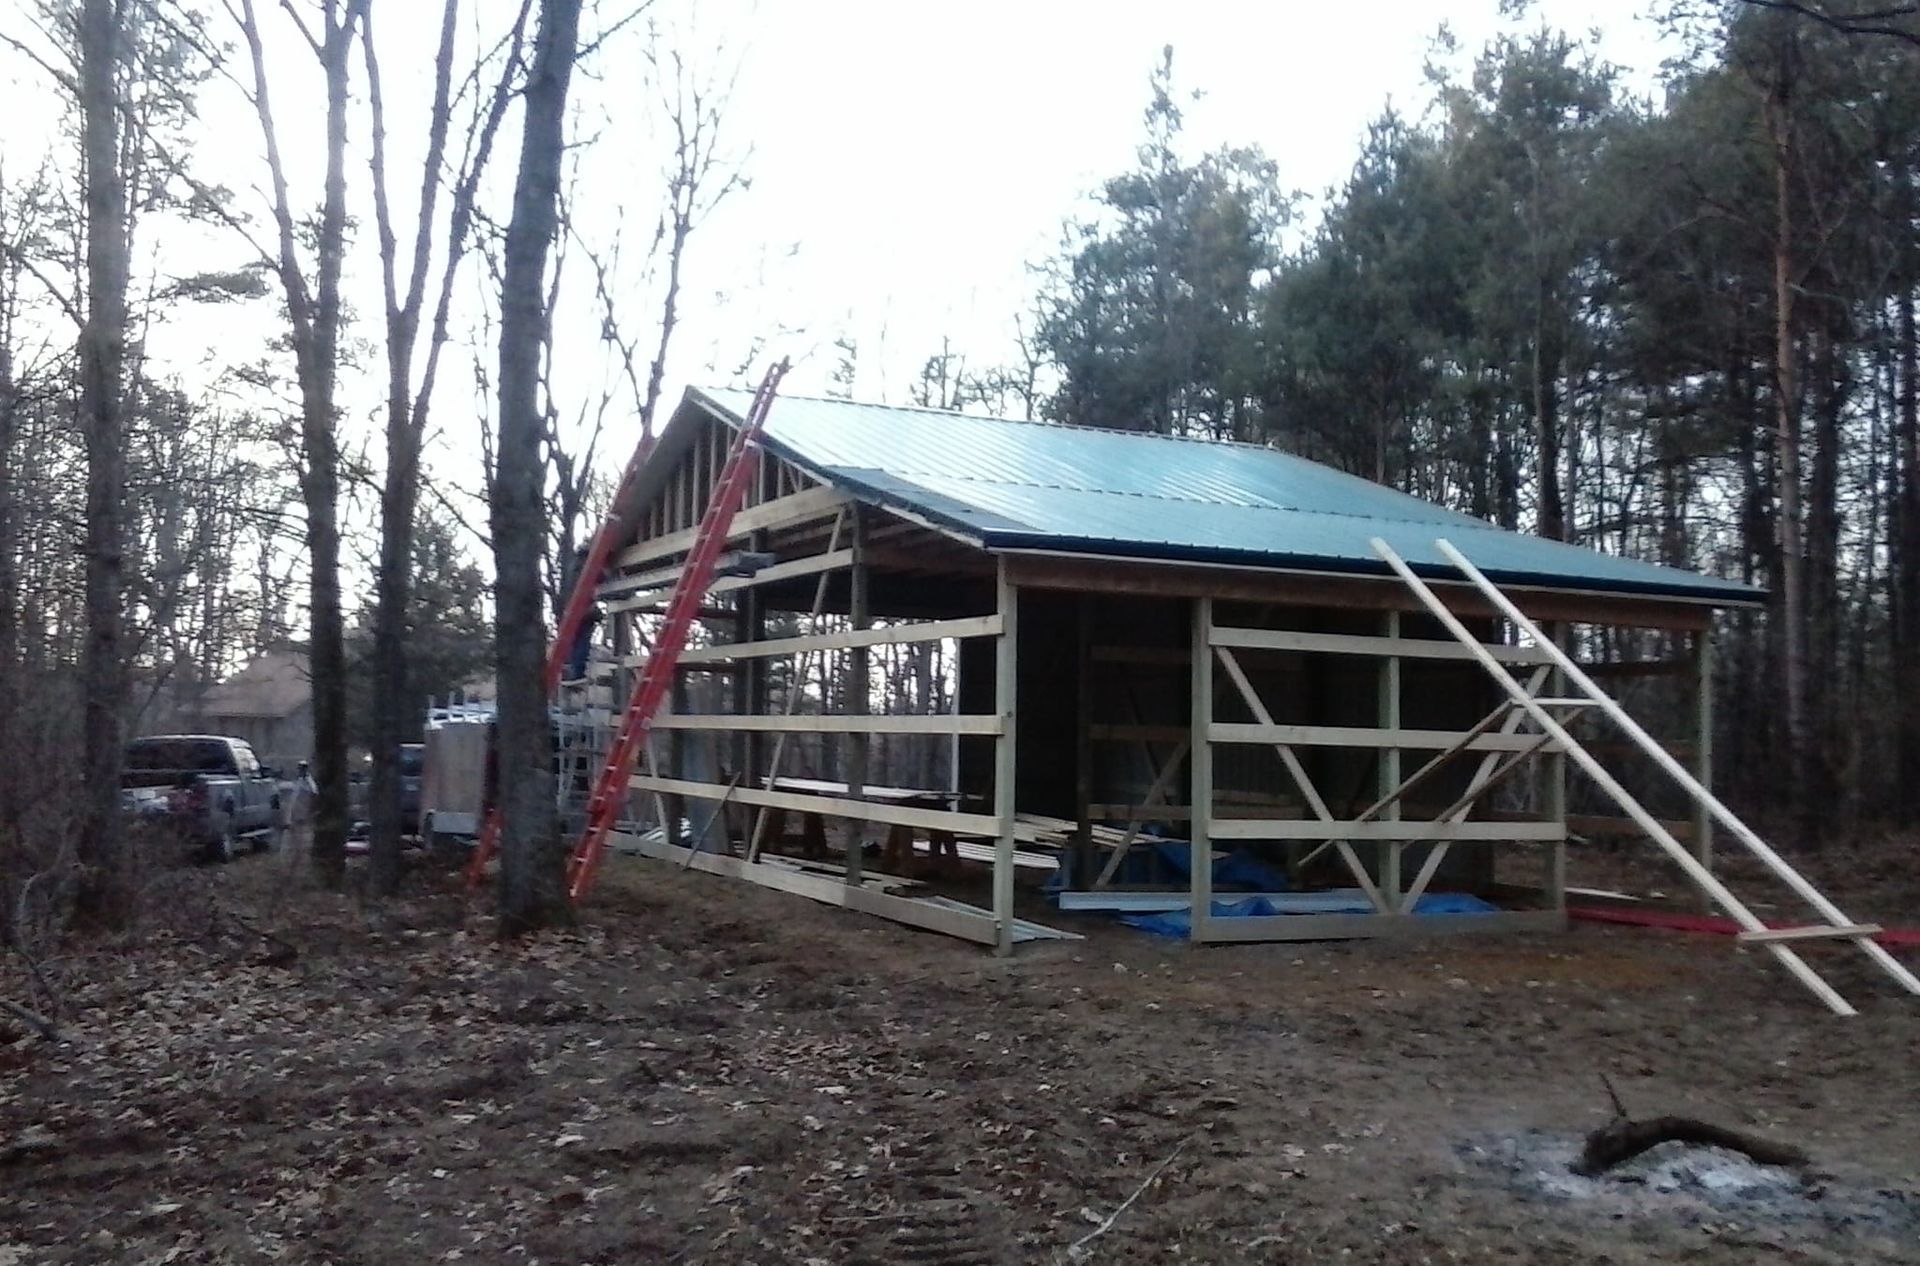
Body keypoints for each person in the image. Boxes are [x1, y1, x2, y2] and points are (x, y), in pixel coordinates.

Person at [563, 545, 603, 684]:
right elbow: (602, 576)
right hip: (583, 611)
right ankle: (578, 673)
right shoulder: (587, 568)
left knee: (576, 643)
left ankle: (575, 671)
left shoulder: (572, 569)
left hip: (572, 612)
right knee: (583, 643)